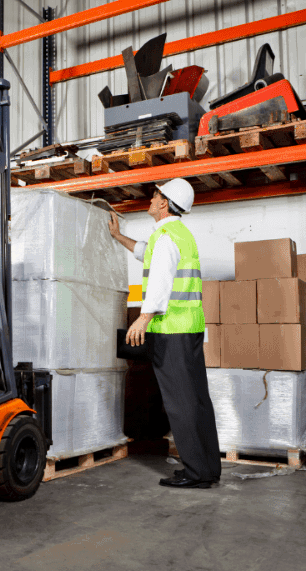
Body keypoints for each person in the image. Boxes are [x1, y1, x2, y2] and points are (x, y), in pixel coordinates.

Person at [108, 178, 221, 488]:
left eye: (155, 195)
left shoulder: (166, 238)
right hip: (191, 328)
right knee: (197, 400)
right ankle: (208, 469)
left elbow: (159, 280)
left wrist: (143, 319)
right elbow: (145, 252)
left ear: (164, 204)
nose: (151, 198)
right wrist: (119, 236)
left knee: (180, 404)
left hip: (172, 332)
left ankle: (195, 474)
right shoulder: (178, 235)